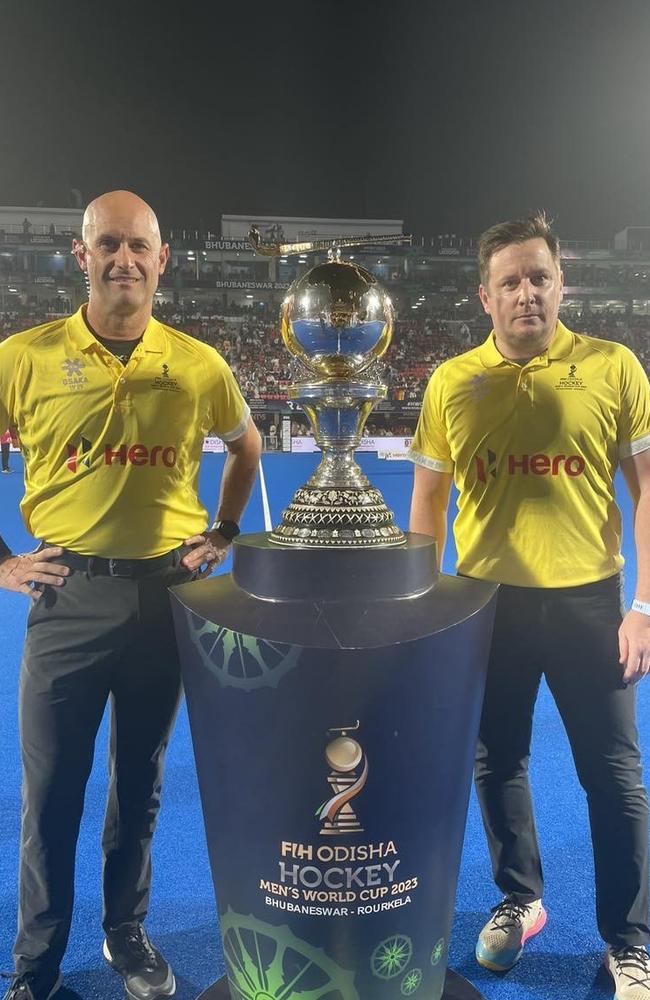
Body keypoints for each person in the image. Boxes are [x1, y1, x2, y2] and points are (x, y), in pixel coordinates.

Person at [0, 190, 262, 1000]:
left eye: (138, 246)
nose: (123, 259)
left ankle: (125, 935)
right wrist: (1, 560)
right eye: (107, 244)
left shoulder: (197, 362)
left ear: (161, 259)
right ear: (82, 256)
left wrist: (223, 529)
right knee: (51, 792)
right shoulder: (23, 356)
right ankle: (35, 965)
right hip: (69, 597)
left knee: (140, 782)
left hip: (166, 598)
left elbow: (245, 444)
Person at [409, 213, 650, 999]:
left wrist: (644, 603)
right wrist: (420, 607)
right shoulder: (451, 381)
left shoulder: (614, 367)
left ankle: (631, 941)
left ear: (561, 283)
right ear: (485, 295)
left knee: (613, 774)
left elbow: (648, 490)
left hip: (590, 603)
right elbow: (428, 503)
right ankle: (521, 898)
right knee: (497, 760)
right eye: (510, 282)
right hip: (487, 605)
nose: (526, 294)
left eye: (539, 278)